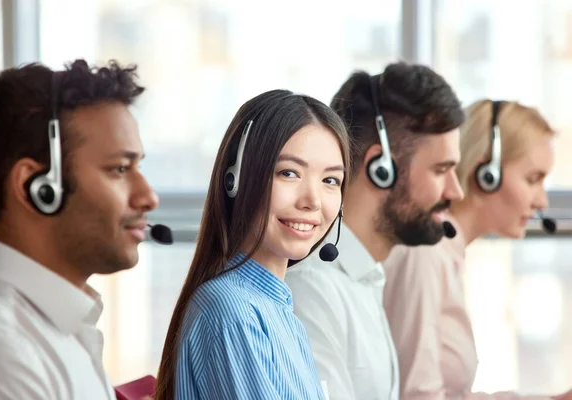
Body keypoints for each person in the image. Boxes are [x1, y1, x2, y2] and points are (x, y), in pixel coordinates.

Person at [0, 59, 159, 399]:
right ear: (39, 187)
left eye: (138, 167)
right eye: (119, 169)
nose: (149, 197)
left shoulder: (61, 329)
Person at [284, 62, 466, 400]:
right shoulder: (313, 291)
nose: (456, 192)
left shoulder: (365, 279)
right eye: (442, 170)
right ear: (381, 168)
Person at [153, 89, 350, 400]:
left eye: (330, 181)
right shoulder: (233, 312)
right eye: (289, 173)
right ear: (236, 180)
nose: (313, 201)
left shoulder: (279, 311)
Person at [383, 99, 572, 400]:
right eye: (532, 179)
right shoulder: (427, 253)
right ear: (486, 173)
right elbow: (417, 395)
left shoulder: (448, 253)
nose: (542, 202)